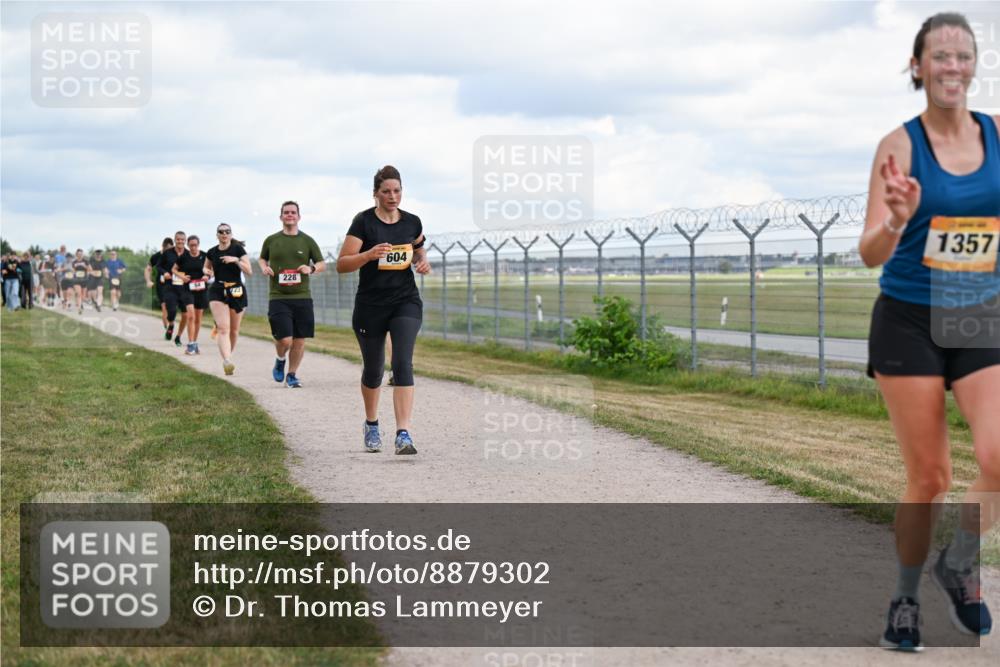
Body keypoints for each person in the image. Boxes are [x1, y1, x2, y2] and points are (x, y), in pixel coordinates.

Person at [859, 12, 999, 651]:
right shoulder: (899, 144)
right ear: (917, 67)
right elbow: (868, 252)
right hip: (911, 317)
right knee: (932, 478)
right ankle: (905, 602)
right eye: (939, 57)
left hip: (974, 308)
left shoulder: (998, 135)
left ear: (974, 65)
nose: (952, 67)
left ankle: (960, 562)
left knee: (999, 457)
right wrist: (897, 219)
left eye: (962, 56)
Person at [337, 165, 431, 454]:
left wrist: (422, 261)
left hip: (405, 300)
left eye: (397, 191)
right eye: (386, 191)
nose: (393, 196)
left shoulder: (412, 222)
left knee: (402, 362)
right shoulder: (363, 223)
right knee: (374, 370)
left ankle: (403, 433)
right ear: (375, 193)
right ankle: (372, 423)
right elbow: (342, 264)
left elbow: (418, 246)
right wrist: (368, 254)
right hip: (370, 306)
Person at [258, 201, 326, 388]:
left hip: (302, 296)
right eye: (286, 212)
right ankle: (280, 359)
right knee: (285, 339)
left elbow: (322, 263)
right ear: (281, 217)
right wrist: (265, 268)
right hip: (279, 297)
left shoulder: (307, 241)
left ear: (299, 217)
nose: (290, 215)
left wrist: (310, 268)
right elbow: (262, 258)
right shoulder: (272, 240)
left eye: (293, 212)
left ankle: (292, 375)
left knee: (299, 340)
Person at [205, 224, 251, 375]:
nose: (224, 234)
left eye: (227, 232)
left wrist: (236, 260)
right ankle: (227, 361)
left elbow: (249, 271)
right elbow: (206, 268)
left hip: (236, 289)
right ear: (217, 235)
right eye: (221, 232)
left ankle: (228, 357)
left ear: (231, 234)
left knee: (234, 330)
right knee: (223, 328)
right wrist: (207, 272)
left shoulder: (238, 250)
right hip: (218, 289)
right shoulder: (212, 252)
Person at [172, 235, 210, 355]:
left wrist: (207, 276)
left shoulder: (205, 256)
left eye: (195, 245)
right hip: (187, 289)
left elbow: (212, 270)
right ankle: (190, 344)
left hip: (201, 289)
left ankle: (194, 343)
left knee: (198, 318)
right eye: (191, 245)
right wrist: (182, 277)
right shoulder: (184, 256)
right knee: (191, 316)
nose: (193, 247)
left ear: (198, 244)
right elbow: (173, 269)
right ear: (188, 245)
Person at [159, 232, 188, 346]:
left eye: (182, 239)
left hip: (184, 288)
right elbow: (159, 265)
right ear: (175, 240)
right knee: (171, 311)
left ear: (185, 240)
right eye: (178, 239)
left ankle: (178, 336)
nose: (180, 241)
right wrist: (165, 272)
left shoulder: (188, 253)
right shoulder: (167, 253)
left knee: (186, 314)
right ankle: (171, 324)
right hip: (170, 287)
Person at [145, 238, 174, 330]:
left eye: (171, 249)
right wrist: (148, 281)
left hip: (174, 284)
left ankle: (170, 324)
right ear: (163, 247)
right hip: (161, 285)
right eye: (167, 249)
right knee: (165, 306)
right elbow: (148, 269)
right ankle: (168, 329)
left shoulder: (175, 255)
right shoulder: (156, 256)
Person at [68, 249, 90, 314]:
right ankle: (79, 308)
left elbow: (90, 269)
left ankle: (81, 303)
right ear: (76, 255)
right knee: (79, 294)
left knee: (83, 296)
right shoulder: (74, 262)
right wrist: (72, 272)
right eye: (78, 254)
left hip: (84, 279)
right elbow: (73, 270)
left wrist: (85, 266)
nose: (80, 255)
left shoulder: (86, 261)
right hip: (76, 279)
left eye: (81, 254)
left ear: (82, 254)